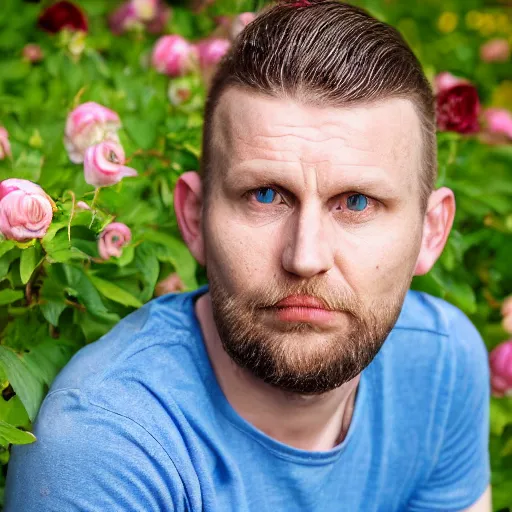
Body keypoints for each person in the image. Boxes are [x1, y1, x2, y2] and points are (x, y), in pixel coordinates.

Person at [5, 1, 491, 510]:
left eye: (357, 202)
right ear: (193, 219)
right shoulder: (107, 445)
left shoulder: (441, 366)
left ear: (432, 233)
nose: (305, 257)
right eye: (265, 195)